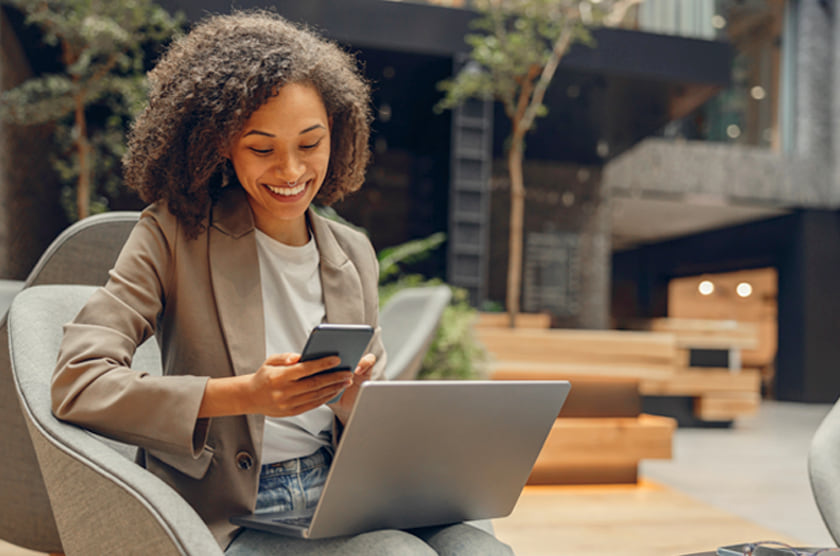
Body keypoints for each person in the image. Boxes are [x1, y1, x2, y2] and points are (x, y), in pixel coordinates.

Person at [50, 10, 513, 556]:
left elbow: (365, 410)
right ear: (221, 144)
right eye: (262, 149)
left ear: (336, 136)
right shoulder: (174, 233)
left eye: (310, 144)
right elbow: (78, 383)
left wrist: (358, 402)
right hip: (237, 515)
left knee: (481, 548)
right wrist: (243, 394)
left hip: (345, 494)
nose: (291, 171)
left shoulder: (352, 252)